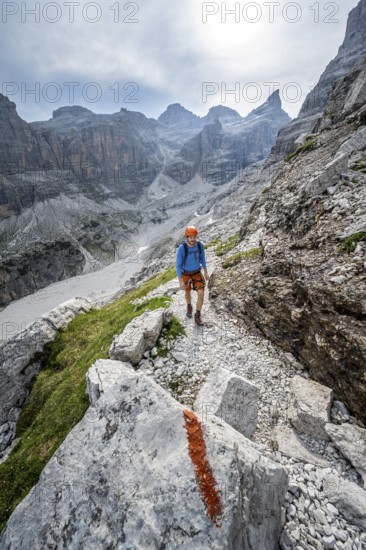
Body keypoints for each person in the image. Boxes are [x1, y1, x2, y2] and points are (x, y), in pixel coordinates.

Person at [176, 226, 209, 326]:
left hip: (197, 273)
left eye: (194, 237)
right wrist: (180, 280)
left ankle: (197, 315)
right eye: (190, 237)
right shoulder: (182, 248)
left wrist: (206, 272)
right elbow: (178, 265)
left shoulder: (200, 246)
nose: (193, 239)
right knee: (187, 292)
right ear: (187, 237)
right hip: (185, 273)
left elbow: (202, 259)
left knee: (201, 293)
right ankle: (189, 305)